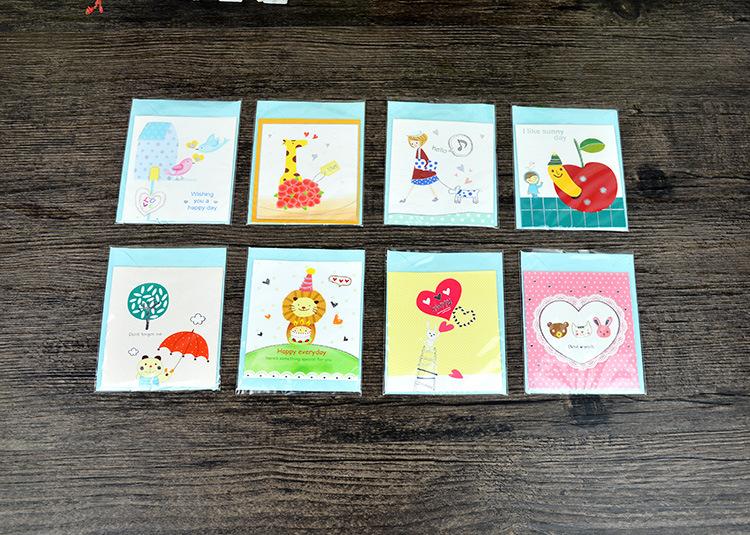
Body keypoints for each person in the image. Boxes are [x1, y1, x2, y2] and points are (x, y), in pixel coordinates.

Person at [400, 133, 439, 203]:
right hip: (420, 170)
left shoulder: (420, 151)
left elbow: (425, 159)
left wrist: (423, 166)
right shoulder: (418, 150)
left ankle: (405, 198)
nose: (414, 144)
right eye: (412, 143)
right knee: (427, 184)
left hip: (421, 171)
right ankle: (435, 196)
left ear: (421, 141)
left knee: (418, 184)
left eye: (416, 142)